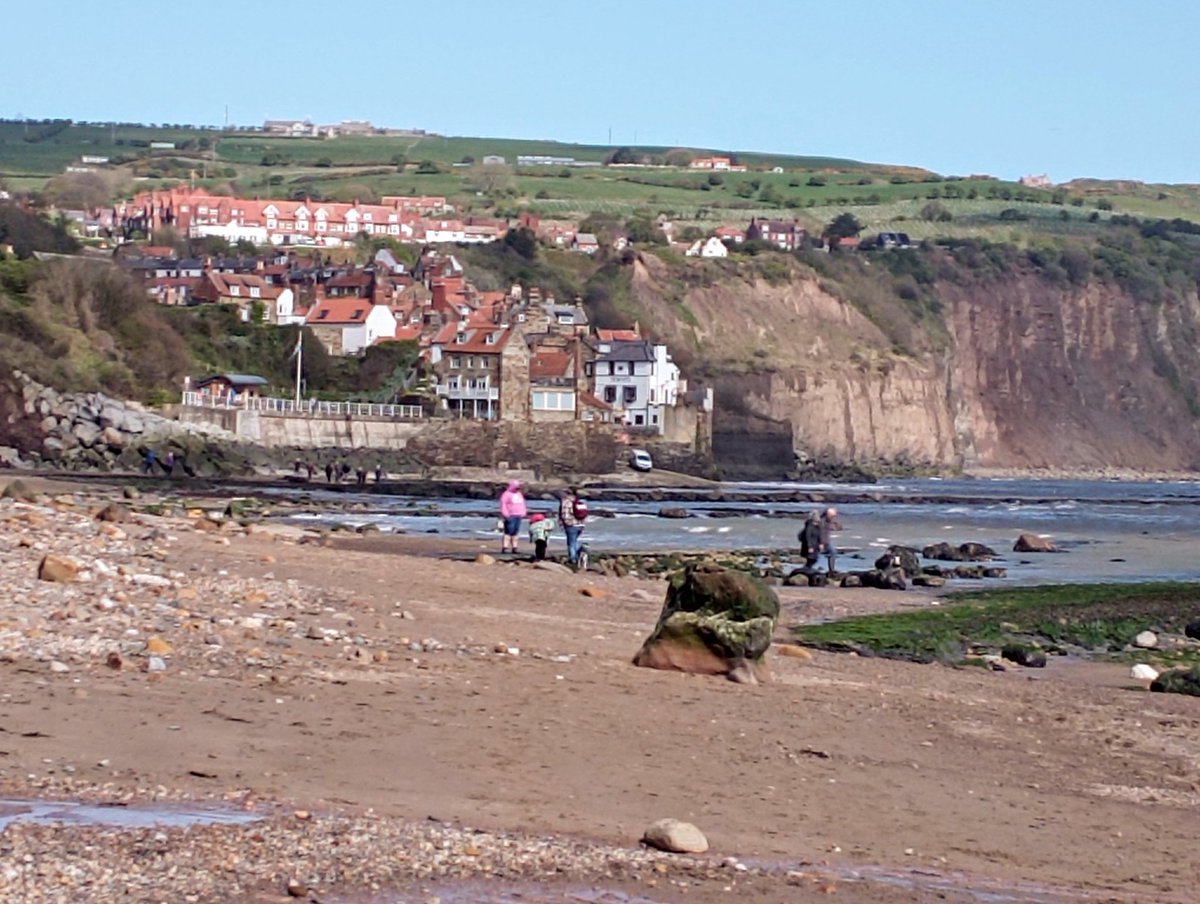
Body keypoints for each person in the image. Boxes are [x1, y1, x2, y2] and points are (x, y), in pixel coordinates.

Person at [558, 486, 588, 566]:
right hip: (580, 525)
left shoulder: (566, 502)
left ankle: (573, 559)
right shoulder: (579, 502)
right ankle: (580, 553)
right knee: (574, 542)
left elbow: (565, 515)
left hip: (571, 525)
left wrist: (566, 523)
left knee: (571, 543)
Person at [498, 479, 528, 554]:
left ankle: (515, 548)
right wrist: (506, 514)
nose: (518, 489)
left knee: (515, 532)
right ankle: (505, 547)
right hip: (510, 515)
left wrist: (524, 511)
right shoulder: (506, 494)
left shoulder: (519, 494)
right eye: (516, 487)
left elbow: (522, 503)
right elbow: (503, 505)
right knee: (508, 532)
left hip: (519, 515)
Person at [819, 507, 843, 575]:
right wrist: (821, 543)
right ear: (828, 514)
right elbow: (821, 533)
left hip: (826, 541)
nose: (833, 518)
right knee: (832, 553)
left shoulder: (827, 521)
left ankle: (831, 570)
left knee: (833, 553)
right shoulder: (822, 522)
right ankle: (831, 570)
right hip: (822, 542)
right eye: (832, 516)